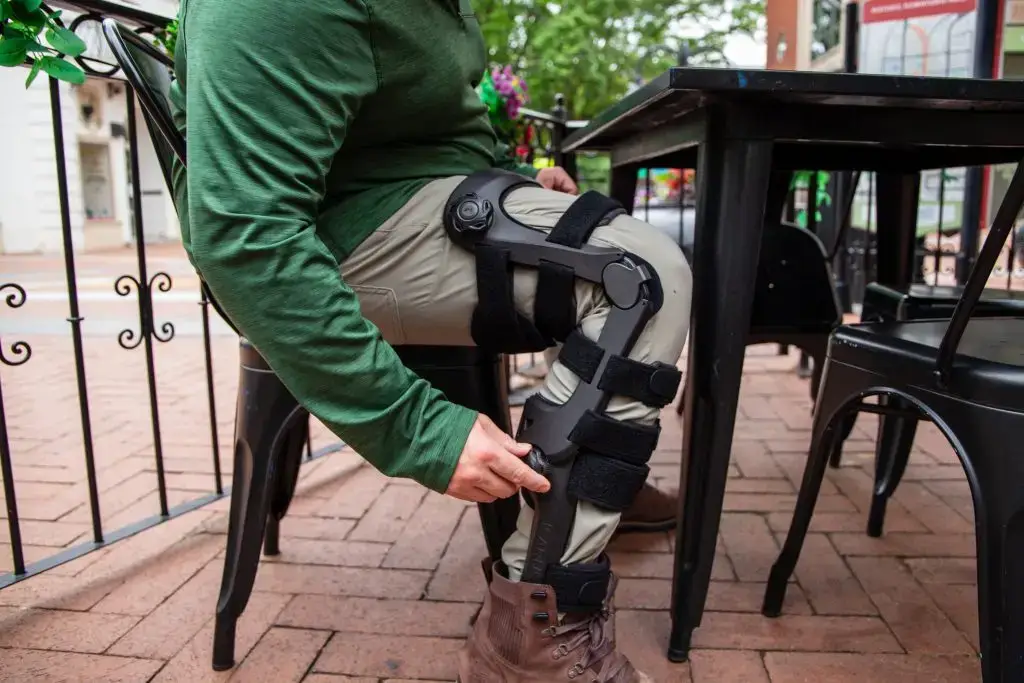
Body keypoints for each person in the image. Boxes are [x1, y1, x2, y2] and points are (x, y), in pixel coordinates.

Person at [169, 0, 692, 680]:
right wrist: (419, 427)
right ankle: (534, 634)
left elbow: (432, 126)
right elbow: (245, 231)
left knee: (603, 248)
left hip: (402, 196)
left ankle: (591, 488)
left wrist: (514, 176)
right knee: (636, 278)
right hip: (338, 237)